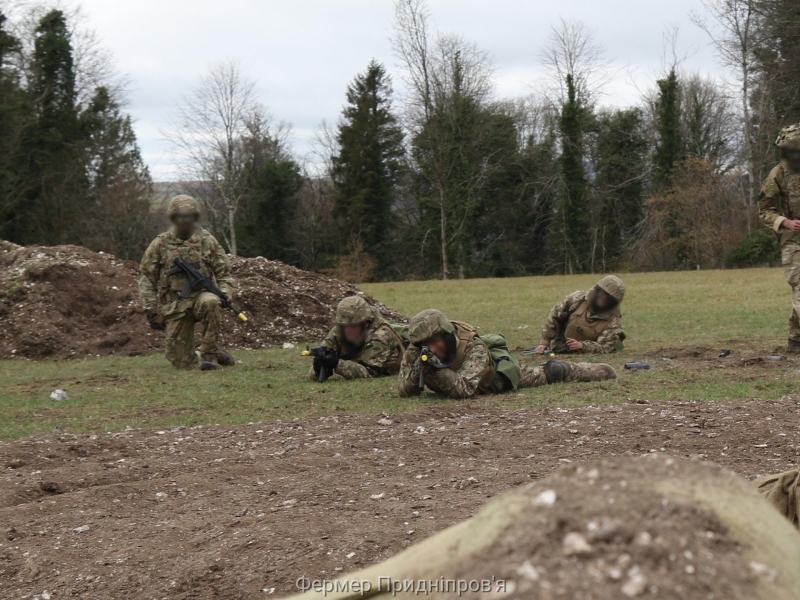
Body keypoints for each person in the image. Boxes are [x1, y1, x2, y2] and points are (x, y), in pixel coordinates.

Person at [398, 309, 616, 399]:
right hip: (455, 377)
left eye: (434, 343)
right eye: (426, 345)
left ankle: (596, 371)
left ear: (445, 335)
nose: (432, 349)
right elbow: (404, 390)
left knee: (552, 371)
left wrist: (436, 371)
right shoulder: (419, 350)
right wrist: (418, 373)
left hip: (495, 380)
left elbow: (465, 389)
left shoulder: (474, 348)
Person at [138, 195, 236, 371]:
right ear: (173, 218)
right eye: (180, 217)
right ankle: (213, 353)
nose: (185, 221)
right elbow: (147, 278)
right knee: (181, 363)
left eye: (188, 217)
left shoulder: (207, 241)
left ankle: (209, 354)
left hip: (201, 297)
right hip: (175, 305)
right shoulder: (160, 244)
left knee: (211, 302)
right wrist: (151, 310)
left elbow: (224, 273)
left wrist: (225, 291)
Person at [759, 124, 800, 353]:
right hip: (793, 241)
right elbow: (764, 210)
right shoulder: (778, 174)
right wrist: (785, 222)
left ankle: (796, 339)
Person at [309, 296, 406, 380]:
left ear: (366, 323)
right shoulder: (339, 330)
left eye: (353, 326)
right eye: (344, 326)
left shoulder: (381, 335)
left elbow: (370, 372)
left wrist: (336, 363)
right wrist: (319, 366)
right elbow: (314, 371)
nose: (348, 330)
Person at [534, 275, 626, 355]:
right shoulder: (577, 299)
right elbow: (554, 317)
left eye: (608, 298)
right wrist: (544, 342)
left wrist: (582, 346)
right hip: (559, 344)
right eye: (602, 293)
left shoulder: (613, 322)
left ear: (613, 302)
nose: (603, 298)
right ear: (597, 290)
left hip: (581, 353)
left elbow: (604, 347)